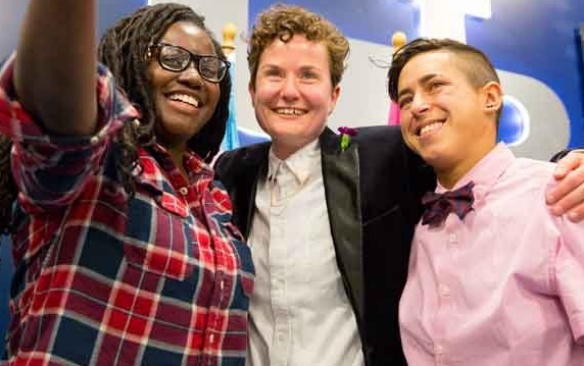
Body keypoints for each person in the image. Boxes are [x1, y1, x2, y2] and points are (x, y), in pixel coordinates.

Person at [214, 5, 584, 366]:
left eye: (309, 75)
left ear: (334, 96)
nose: (289, 91)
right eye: (274, 74)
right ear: (251, 90)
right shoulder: (229, 174)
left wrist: (572, 163)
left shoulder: (385, 157)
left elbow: (472, 159)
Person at [0, 1, 253, 364]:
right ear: (132, 61)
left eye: (209, 68)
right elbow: (57, 103)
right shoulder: (102, 162)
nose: (195, 78)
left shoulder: (217, 199)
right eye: (172, 57)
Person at [391, 38, 584, 365]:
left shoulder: (560, 193)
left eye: (435, 85)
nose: (418, 106)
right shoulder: (422, 225)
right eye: (406, 99)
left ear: (490, 97)